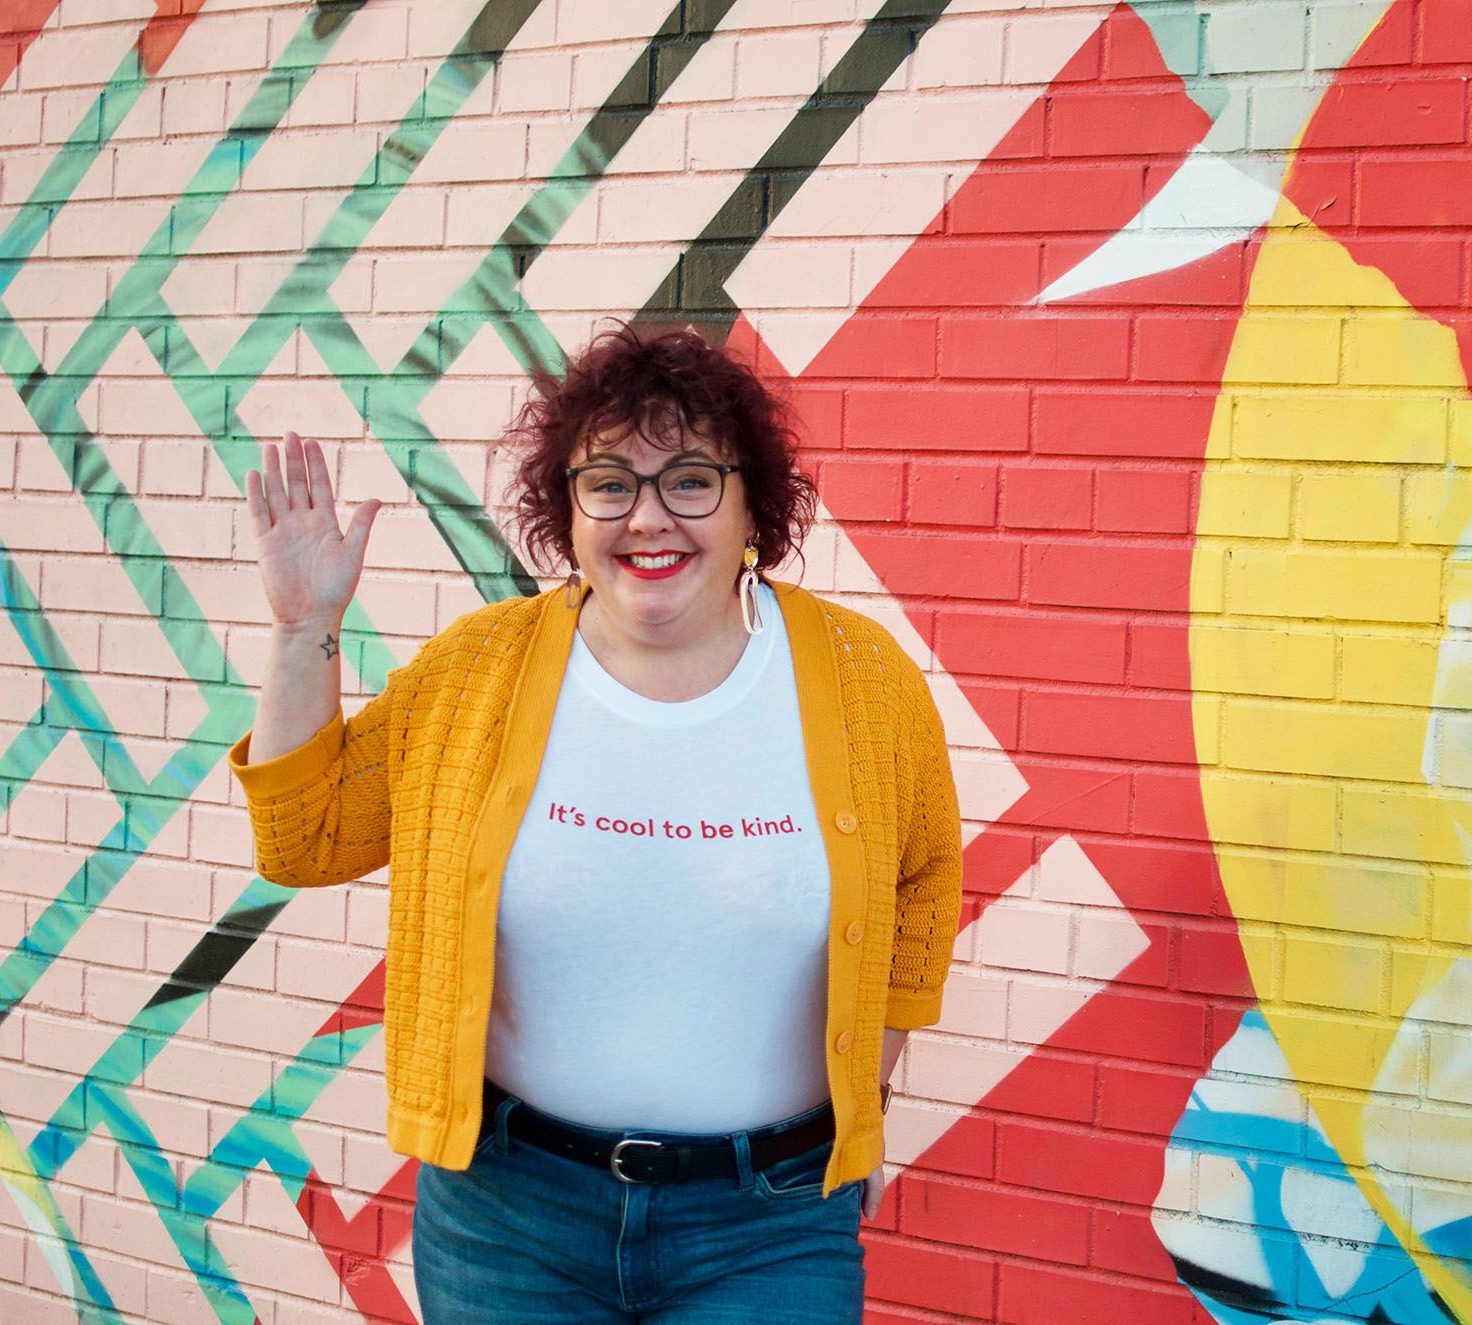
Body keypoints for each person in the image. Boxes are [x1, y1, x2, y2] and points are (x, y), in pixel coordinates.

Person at [227, 325, 963, 1322]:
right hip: (510, 1218)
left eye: (689, 479)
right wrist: (300, 625)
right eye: (607, 482)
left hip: (768, 1226)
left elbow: (919, 881)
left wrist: (862, 1102)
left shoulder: (863, 681)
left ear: (753, 503)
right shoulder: (474, 674)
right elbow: (304, 836)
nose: (646, 516)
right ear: (564, 512)